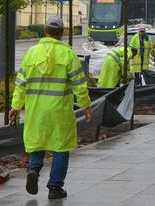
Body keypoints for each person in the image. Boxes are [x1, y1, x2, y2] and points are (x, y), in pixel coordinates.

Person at [9, 15, 93, 200]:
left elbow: (21, 83)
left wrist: (15, 106)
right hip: (60, 110)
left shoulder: (31, 53)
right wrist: (86, 106)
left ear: (45, 31)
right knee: (61, 146)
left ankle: (34, 168)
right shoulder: (69, 54)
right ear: (62, 33)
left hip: (36, 109)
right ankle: (55, 188)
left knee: (37, 140)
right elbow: (79, 84)